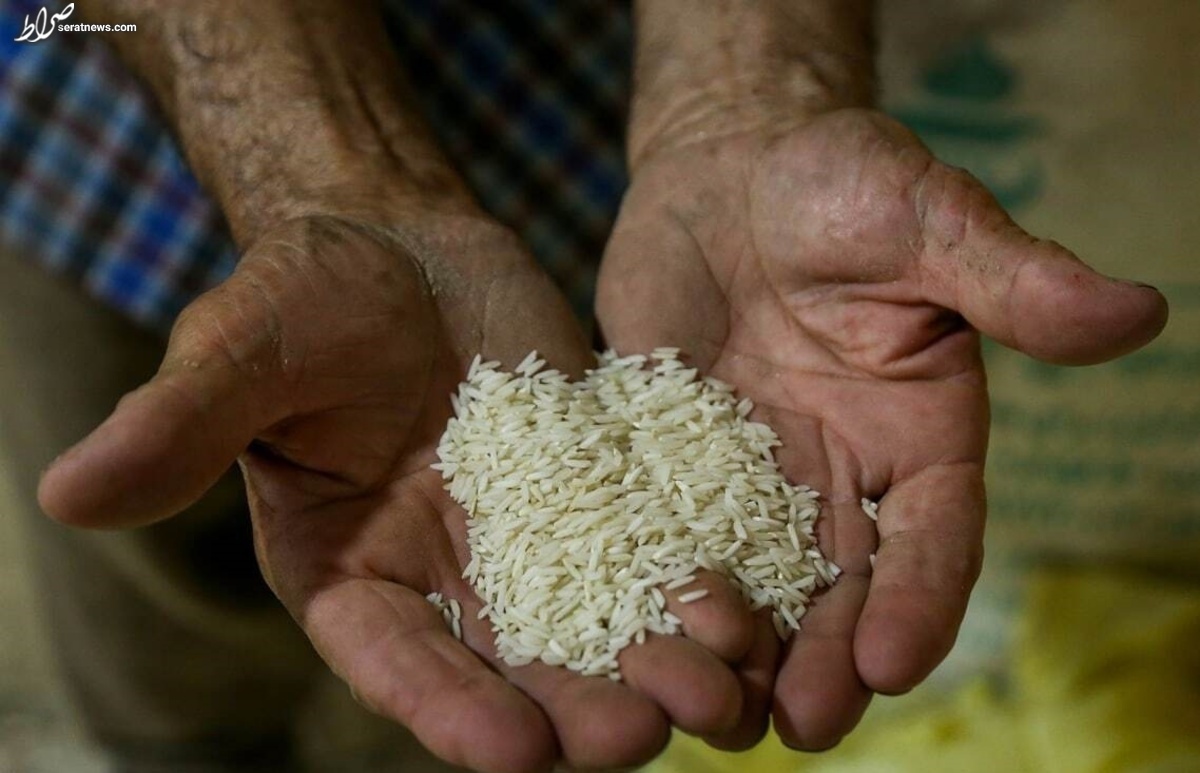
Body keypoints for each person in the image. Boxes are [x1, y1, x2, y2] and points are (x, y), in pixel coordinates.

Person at [0, 1, 1168, 771]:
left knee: (471, 698)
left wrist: (745, 95)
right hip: (123, 79)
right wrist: (316, 181)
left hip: (601, 70)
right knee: (175, 615)